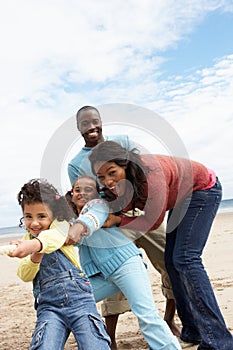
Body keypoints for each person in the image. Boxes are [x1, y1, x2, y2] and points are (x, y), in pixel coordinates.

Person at [88, 140, 233, 350]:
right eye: (101, 176)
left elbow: (153, 221)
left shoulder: (150, 175)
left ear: (125, 164)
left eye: (112, 172)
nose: (108, 181)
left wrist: (118, 220)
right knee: (171, 261)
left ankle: (220, 341)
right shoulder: (122, 183)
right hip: (181, 197)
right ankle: (192, 331)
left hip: (203, 189)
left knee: (186, 259)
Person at [67, 106, 181, 348]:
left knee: (168, 260)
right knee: (116, 270)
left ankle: (169, 319)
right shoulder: (75, 163)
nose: (91, 127)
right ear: (78, 128)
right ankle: (110, 337)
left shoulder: (123, 141)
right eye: (85, 124)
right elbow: (85, 199)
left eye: (94, 121)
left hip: (140, 211)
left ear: (101, 121)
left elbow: (142, 171)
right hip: (108, 219)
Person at [65, 175, 181, 350]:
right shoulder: (71, 220)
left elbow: (91, 220)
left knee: (147, 316)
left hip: (126, 265)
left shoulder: (99, 206)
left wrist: (77, 229)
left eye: (88, 190)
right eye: (77, 190)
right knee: (69, 303)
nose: (81, 193)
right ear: (71, 194)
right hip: (101, 276)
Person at [8, 179, 111, 350]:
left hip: (80, 301)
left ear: (54, 215)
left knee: (95, 345)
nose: (34, 223)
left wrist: (35, 246)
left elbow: (52, 239)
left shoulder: (61, 228)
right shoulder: (27, 240)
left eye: (41, 216)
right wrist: (34, 255)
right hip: (49, 308)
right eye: (28, 216)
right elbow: (24, 274)